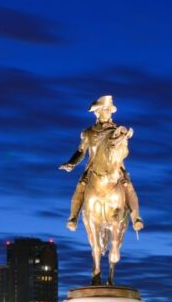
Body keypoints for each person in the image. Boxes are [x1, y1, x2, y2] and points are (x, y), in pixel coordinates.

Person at [59, 95, 144, 232]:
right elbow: (81, 151)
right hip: (93, 167)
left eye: (109, 109)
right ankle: (73, 217)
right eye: (105, 109)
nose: (108, 112)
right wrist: (71, 163)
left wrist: (122, 139)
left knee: (128, 186)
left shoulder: (117, 130)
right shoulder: (88, 133)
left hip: (115, 167)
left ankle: (136, 218)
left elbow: (124, 151)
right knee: (81, 186)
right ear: (97, 112)